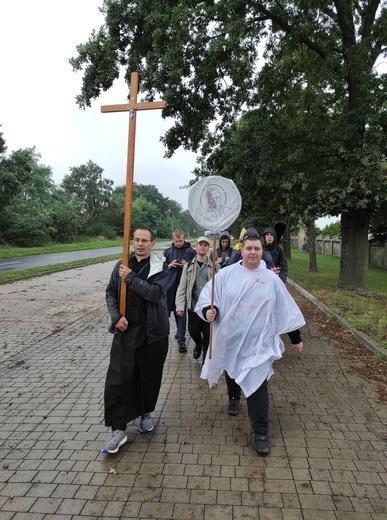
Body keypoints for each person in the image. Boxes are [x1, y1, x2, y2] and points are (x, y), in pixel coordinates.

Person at [195, 234, 305, 456]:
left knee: (257, 385)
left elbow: (284, 309)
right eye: (249, 248)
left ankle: (261, 432)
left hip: (259, 345)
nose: (253, 252)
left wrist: (296, 338)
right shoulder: (226, 275)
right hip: (232, 339)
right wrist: (210, 309)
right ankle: (234, 397)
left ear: (262, 251)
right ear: (241, 250)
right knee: (232, 370)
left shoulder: (271, 280)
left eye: (257, 248)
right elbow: (210, 296)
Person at [101, 226, 169, 454]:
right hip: (126, 332)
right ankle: (118, 429)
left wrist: (130, 278)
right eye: (136, 240)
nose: (139, 244)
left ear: (152, 243)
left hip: (152, 335)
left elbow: (155, 294)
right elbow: (110, 292)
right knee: (118, 379)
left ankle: (146, 412)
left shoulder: (161, 266)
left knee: (148, 378)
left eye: (144, 240)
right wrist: (115, 316)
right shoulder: (122, 264)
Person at [175, 236, 219, 362]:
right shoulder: (188, 266)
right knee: (193, 332)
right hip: (193, 307)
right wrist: (179, 306)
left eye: (206, 245)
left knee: (207, 333)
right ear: (196, 246)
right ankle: (198, 344)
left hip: (208, 308)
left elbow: (220, 287)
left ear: (208, 248)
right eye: (201, 244)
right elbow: (182, 288)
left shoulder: (214, 267)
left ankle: (206, 360)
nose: (203, 246)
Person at [163, 229, 196, 352]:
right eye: (176, 241)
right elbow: (161, 269)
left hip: (184, 287)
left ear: (184, 238)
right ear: (173, 239)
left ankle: (181, 339)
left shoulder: (191, 252)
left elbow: (196, 267)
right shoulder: (167, 252)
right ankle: (176, 333)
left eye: (180, 241)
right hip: (169, 287)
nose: (178, 243)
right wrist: (169, 265)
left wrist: (186, 265)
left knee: (181, 312)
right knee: (169, 311)